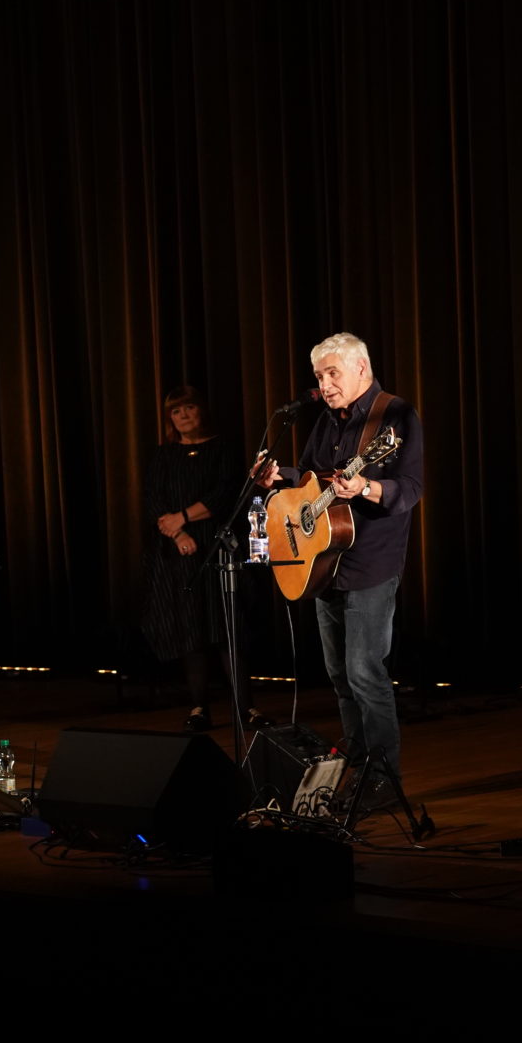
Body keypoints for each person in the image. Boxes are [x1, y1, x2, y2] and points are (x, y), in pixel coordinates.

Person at [255, 332, 425, 806]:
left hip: (371, 561)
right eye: (319, 376)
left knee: (364, 671)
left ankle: (384, 780)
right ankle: (357, 767)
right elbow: (312, 480)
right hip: (324, 560)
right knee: (340, 677)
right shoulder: (328, 419)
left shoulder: (394, 416)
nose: (324, 385)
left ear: (361, 368)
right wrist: (281, 477)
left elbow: (410, 487)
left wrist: (366, 488)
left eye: (332, 374)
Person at [140, 386, 269, 734]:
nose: (183, 416)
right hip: (178, 553)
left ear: (202, 411)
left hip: (219, 546)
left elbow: (226, 494)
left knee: (229, 627)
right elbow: (153, 501)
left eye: (189, 408)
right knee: (191, 630)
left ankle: (246, 707)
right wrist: (178, 533)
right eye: (176, 411)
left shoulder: (222, 448)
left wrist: (183, 517)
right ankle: (199, 708)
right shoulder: (163, 456)